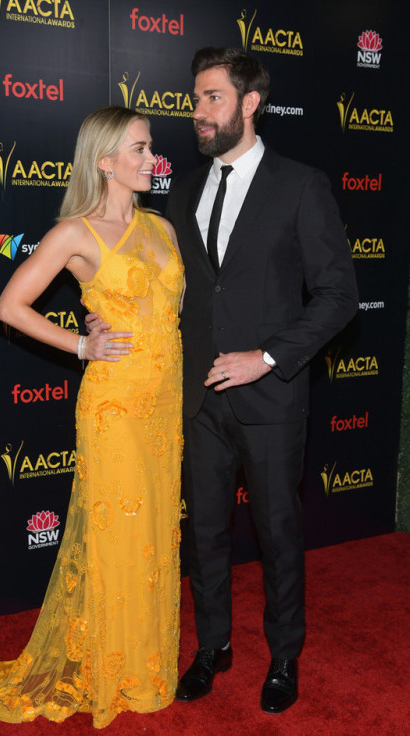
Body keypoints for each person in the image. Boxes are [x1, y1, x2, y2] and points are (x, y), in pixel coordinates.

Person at [0, 106, 185, 729]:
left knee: (153, 536)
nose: (152, 159)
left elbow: (165, 313)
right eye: (141, 149)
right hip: (114, 405)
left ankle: (148, 665)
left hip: (164, 402)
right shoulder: (75, 232)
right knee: (118, 537)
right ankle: (114, 673)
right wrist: (82, 345)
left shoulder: (162, 229)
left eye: (151, 148)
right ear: (105, 160)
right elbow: (10, 305)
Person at [165, 47, 359, 714]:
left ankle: (283, 656)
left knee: (278, 534)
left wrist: (268, 357)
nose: (198, 112)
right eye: (195, 99)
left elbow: (338, 295)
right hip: (198, 399)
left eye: (211, 97)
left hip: (271, 397)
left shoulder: (300, 186)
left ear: (250, 104)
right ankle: (212, 645)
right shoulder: (183, 190)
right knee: (206, 534)